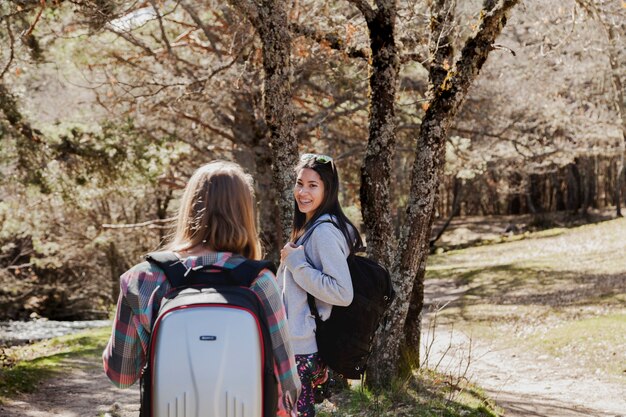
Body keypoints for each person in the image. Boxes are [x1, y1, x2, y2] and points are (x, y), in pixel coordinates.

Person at [102, 160, 301, 416]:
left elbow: (121, 376)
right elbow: (288, 382)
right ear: (245, 212)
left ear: (189, 206)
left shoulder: (141, 278)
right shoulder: (260, 281)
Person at [278, 153, 363, 416]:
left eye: (313, 185)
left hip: (303, 349)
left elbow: (342, 292)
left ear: (328, 189)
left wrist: (296, 263)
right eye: (300, 183)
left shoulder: (324, 232)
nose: (303, 192)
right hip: (301, 345)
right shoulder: (312, 226)